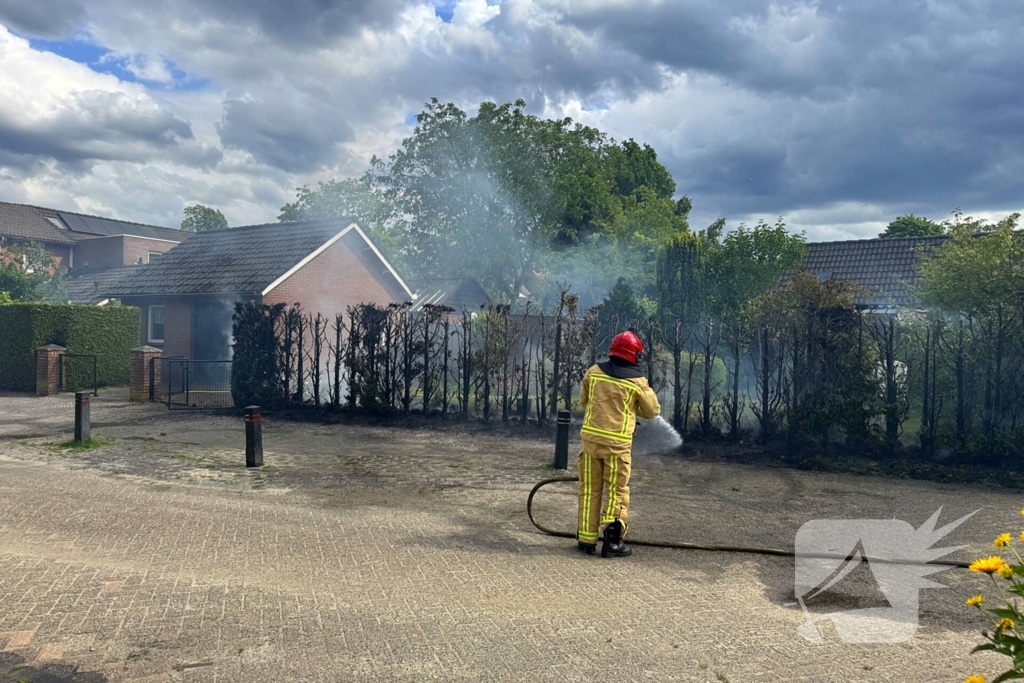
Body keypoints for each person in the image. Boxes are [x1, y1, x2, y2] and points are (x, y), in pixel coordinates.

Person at [577, 330, 661, 558]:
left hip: (590, 442)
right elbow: (652, 411)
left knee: (589, 490)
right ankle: (612, 543)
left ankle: (586, 540)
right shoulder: (636, 381)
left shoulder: (593, 373)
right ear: (633, 354)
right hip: (617, 445)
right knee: (616, 491)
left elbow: (584, 401)